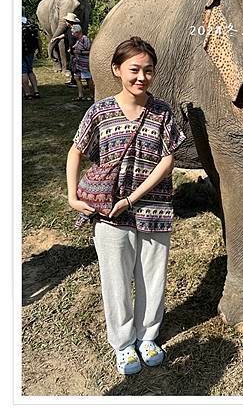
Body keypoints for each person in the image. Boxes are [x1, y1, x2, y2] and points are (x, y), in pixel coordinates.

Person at [66, 36, 186, 376]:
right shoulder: (100, 112)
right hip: (108, 213)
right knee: (116, 279)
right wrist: (73, 195)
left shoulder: (161, 111)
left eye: (148, 70)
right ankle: (123, 344)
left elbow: (168, 159)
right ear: (117, 70)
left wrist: (133, 198)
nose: (141, 77)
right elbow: (76, 150)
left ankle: (148, 337)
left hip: (154, 208)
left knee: (152, 276)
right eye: (134, 69)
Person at [50, 12, 80, 86]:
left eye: (66, 21)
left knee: (76, 67)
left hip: (76, 51)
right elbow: (65, 35)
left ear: (69, 22)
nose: (66, 22)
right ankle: (73, 80)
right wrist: (56, 38)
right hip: (72, 51)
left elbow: (79, 39)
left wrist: (73, 47)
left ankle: (76, 82)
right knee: (72, 66)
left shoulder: (76, 29)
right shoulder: (69, 29)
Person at [70, 24, 94, 101]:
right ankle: (80, 95)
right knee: (77, 77)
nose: (72, 34)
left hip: (85, 63)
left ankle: (92, 95)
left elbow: (90, 51)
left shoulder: (85, 39)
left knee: (88, 79)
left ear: (78, 32)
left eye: (73, 33)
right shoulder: (78, 40)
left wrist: (79, 52)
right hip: (78, 63)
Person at [22, 14, 41, 99]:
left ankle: (27, 93)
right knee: (30, 71)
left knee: (23, 72)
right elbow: (38, 39)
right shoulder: (28, 23)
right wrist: (40, 51)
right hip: (30, 51)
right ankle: (36, 91)